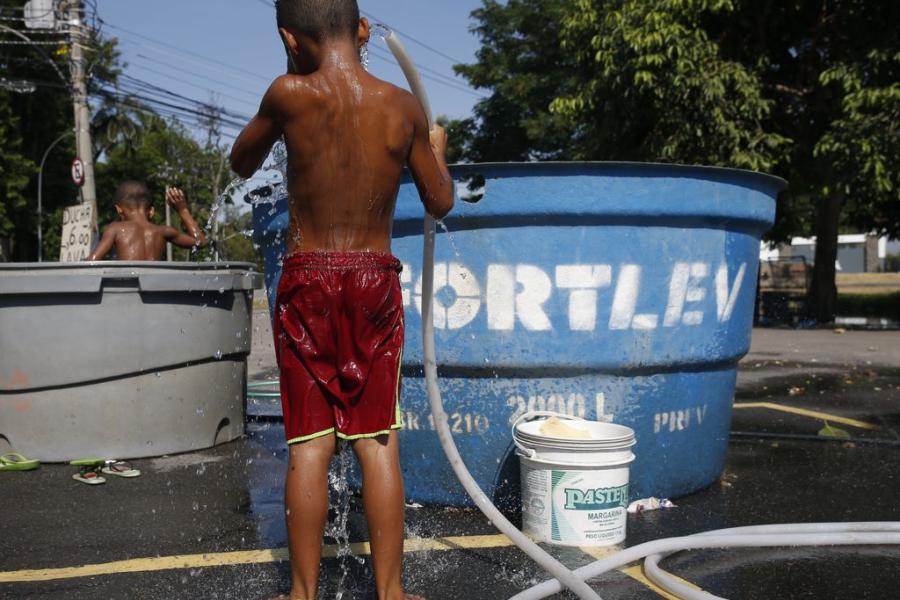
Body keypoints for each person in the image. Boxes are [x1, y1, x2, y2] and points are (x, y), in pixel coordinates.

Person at [230, 0, 453, 598]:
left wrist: (287, 86)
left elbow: (241, 161)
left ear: (288, 37)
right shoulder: (401, 106)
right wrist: (436, 145)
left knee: (309, 442)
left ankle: (303, 595)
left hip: (307, 278)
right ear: (362, 31)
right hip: (374, 277)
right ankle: (392, 593)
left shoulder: (287, 94)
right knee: (377, 439)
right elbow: (440, 200)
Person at [85, 182, 206, 261]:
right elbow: (201, 242)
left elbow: (92, 261)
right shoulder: (164, 231)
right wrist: (183, 210)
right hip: (156, 292)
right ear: (152, 211)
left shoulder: (115, 229)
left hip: (128, 293)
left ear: (119, 210)